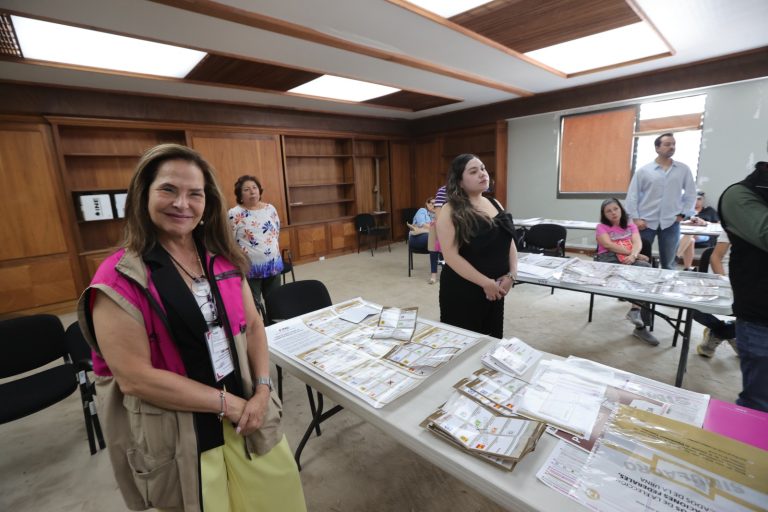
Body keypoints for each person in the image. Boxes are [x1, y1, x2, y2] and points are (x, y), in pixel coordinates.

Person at [77, 144, 306, 511]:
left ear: (207, 202)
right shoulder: (118, 279)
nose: (182, 203)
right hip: (179, 431)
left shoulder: (221, 260)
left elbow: (254, 327)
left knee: (280, 496)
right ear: (143, 195)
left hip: (248, 412)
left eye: (194, 194)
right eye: (168, 189)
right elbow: (135, 378)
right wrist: (226, 404)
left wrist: (263, 390)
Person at [437, 154, 517, 338]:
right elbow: (451, 256)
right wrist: (485, 282)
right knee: (463, 343)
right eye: (473, 171)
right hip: (464, 291)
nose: (482, 174)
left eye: (482, 168)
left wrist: (512, 274)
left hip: (495, 289)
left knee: (492, 340)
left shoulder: (494, 202)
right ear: (460, 182)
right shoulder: (450, 210)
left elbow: (508, 239)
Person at [718, 158, 768, 412]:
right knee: (759, 406)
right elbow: (716, 258)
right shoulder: (740, 195)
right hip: (759, 313)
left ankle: (719, 333)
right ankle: (719, 332)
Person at [625, 133, 697, 269]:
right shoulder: (644, 171)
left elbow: (691, 194)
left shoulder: (683, 170)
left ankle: (665, 290)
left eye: (673, 144)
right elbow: (632, 196)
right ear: (657, 148)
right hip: (645, 223)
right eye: (667, 144)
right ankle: (640, 289)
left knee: (669, 264)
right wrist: (635, 218)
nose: (672, 147)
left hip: (671, 223)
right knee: (640, 262)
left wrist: (683, 214)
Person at [594, 198, 659, 346]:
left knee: (647, 271)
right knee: (628, 279)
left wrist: (634, 255)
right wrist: (634, 254)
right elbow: (608, 245)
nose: (613, 213)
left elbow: (638, 242)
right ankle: (639, 320)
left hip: (629, 257)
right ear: (604, 215)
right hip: (608, 258)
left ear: (621, 209)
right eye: (608, 211)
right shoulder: (601, 227)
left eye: (615, 209)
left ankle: (636, 314)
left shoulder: (630, 224)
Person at [228, 175, 284, 308]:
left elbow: (276, 232)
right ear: (240, 195)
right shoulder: (234, 214)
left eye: (254, 188)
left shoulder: (270, 209)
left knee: (275, 302)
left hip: (273, 265)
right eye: (246, 189)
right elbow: (230, 241)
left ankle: (275, 327)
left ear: (259, 191)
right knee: (253, 305)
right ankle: (259, 328)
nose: (252, 191)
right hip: (249, 269)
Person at [695, 230, 737, 357]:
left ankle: (720, 333)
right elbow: (715, 258)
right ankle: (730, 332)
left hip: (753, 286)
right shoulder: (734, 226)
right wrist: (726, 284)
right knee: (694, 310)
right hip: (724, 279)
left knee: (757, 317)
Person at [677, 191, 720, 268]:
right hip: (686, 234)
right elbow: (677, 222)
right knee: (691, 239)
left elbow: (719, 224)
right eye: (694, 199)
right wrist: (686, 222)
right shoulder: (686, 211)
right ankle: (688, 268)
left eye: (699, 199)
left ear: (703, 200)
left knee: (691, 234)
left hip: (704, 234)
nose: (696, 201)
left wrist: (704, 223)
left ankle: (676, 257)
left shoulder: (709, 210)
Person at [407, 196, 439, 283]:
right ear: (426, 204)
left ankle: (437, 272)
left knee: (437, 242)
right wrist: (435, 228)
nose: (433, 206)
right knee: (435, 240)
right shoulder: (422, 211)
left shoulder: (436, 215)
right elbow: (422, 224)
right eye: (431, 203)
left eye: (435, 204)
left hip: (429, 240)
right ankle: (434, 275)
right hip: (416, 238)